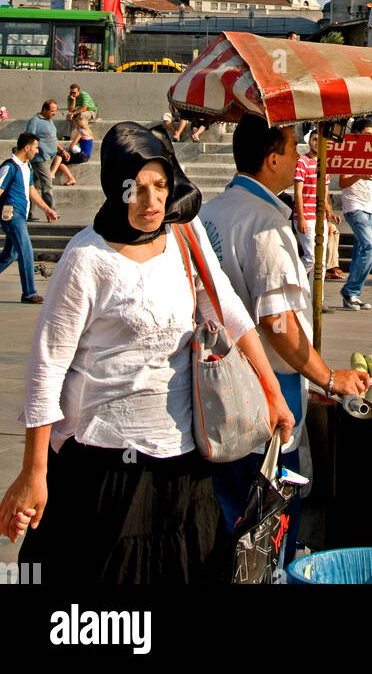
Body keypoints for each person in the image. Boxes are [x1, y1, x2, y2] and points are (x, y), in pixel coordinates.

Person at [0, 121, 295, 583]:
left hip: (182, 465)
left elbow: (229, 311)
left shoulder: (185, 235)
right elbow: (46, 369)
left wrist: (272, 391)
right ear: (115, 188)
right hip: (105, 467)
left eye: (160, 186)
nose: (151, 201)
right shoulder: (86, 258)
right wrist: (34, 472)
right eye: (136, 188)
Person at [200, 114, 369, 559]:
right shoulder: (265, 225)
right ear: (272, 159)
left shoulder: (210, 213)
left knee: (227, 523)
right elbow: (277, 323)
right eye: (293, 148)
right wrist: (328, 377)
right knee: (266, 536)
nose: (299, 157)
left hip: (216, 396)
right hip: (266, 400)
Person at [0, 132, 58, 304]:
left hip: (21, 215)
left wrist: (46, 209)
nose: (37, 151)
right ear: (26, 147)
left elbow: (31, 190)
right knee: (25, 250)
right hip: (12, 215)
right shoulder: (10, 167)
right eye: (35, 147)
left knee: (10, 255)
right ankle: (29, 293)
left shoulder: (27, 167)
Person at [338, 117, 372, 310]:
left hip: (368, 208)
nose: (371, 138)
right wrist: (358, 175)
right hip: (354, 206)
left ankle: (353, 295)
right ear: (356, 134)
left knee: (359, 252)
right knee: (370, 248)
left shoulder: (371, 153)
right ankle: (350, 290)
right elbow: (342, 182)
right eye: (367, 134)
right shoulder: (349, 151)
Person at [293, 128, 331, 275]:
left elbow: (326, 195)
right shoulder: (302, 162)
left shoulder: (324, 163)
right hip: (306, 216)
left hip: (320, 217)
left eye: (320, 140)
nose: (317, 143)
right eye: (315, 140)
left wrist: (328, 219)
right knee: (311, 258)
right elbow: (298, 191)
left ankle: (314, 291)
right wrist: (301, 218)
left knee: (321, 260)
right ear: (309, 142)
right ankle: (293, 280)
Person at [25, 101, 61, 212]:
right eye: (52, 111)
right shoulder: (35, 121)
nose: (54, 113)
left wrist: (61, 150)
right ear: (45, 110)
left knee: (34, 186)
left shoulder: (49, 121)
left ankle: (30, 212)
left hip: (49, 158)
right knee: (47, 185)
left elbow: (52, 138)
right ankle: (51, 211)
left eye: (55, 111)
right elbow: (29, 138)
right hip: (40, 159)